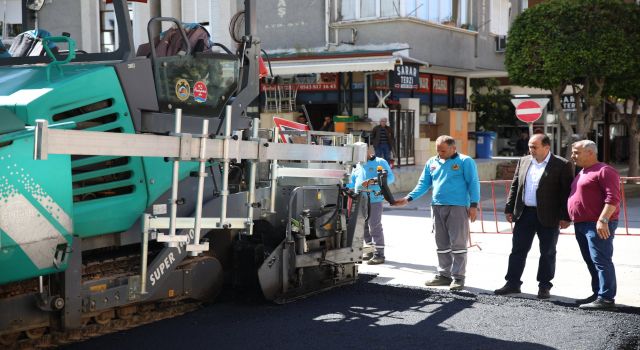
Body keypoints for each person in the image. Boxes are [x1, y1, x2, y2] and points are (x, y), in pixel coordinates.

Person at [493, 133, 574, 299]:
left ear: (547, 147)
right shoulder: (524, 161)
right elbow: (516, 185)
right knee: (517, 250)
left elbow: (566, 192)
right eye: (530, 146)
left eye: (534, 147)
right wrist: (509, 208)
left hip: (549, 216)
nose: (531, 150)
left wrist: (566, 216)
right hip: (525, 214)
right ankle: (512, 283)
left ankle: (544, 286)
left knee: (548, 252)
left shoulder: (561, 164)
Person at [394, 135, 480, 290]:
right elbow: (423, 184)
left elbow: (473, 183)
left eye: (443, 150)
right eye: (438, 150)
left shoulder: (465, 161)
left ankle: (459, 278)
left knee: (458, 244)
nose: (440, 153)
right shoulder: (432, 162)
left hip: (458, 207)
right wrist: (408, 198)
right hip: (437, 207)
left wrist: (474, 205)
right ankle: (444, 275)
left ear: (453, 148)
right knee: (441, 243)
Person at [568, 140, 621, 310]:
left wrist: (603, 219)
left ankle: (606, 298)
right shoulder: (582, 172)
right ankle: (598, 292)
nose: (572, 156)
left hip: (597, 224)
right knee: (591, 261)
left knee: (601, 260)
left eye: (576, 152)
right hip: (582, 224)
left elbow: (613, 198)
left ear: (590, 152)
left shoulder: (605, 171)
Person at [349, 144, 395, 265]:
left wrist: (374, 181)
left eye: (359, 153)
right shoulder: (357, 166)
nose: (357, 156)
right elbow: (352, 182)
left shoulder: (380, 162)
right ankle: (370, 250)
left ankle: (379, 254)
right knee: (362, 226)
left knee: (374, 226)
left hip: (374, 199)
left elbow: (390, 178)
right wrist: (345, 187)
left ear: (368, 151)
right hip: (359, 199)